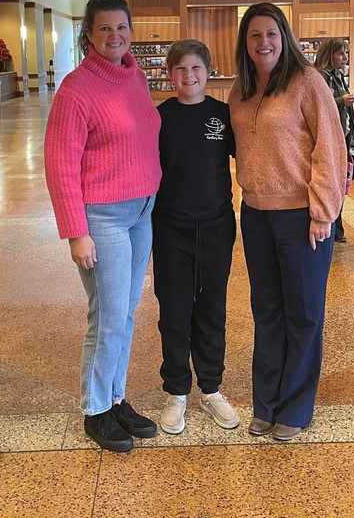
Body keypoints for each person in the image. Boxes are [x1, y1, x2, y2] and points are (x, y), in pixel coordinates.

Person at [43, 0, 161, 453]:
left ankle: (115, 396)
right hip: (102, 218)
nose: (116, 36)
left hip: (141, 212)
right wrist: (77, 231)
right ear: (88, 35)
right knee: (109, 315)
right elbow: (59, 164)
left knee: (126, 313)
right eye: (105, 28)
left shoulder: (134, 77)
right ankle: (95, 408)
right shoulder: (76, 90)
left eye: (122, 27)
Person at [229, 2, 346, 442]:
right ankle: (267, 403)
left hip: (302, 218)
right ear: (245, 41)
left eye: (272, 34)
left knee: (303, 314)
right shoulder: (238, 92)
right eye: (255, 35)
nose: (264, 43)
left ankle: (296, 407)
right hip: (256, 215)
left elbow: (330, 148)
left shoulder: (307, 83)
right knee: (267, 312)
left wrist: (322, 212)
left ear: (285, 37)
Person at [153, 39, 239, 435]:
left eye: (196, 69)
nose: (189, 76)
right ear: (170, 74)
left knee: (211, 308)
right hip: (171, 227)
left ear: (209, 72)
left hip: (217, 225)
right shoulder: (159, 118)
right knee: (174, 311)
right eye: (180, 69)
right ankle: (176, 392)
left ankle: (211, 387)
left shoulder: (223, 115)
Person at [314, 37, 354, 242]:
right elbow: (319, 104)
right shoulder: (322, 76)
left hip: (343, 135)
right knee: (332, 182)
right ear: (329, 55)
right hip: (329, 137)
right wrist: (342, 101)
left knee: (341, 182)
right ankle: (333, 226)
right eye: (341, 53)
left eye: (346, 53)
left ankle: (337, 226)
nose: (345, 57)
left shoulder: (338, 76)